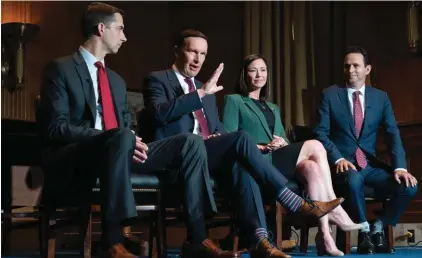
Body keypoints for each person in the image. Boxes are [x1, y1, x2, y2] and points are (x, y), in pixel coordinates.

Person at [37, 3, 235, 258]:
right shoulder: (61, 69)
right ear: (101, 28)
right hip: (77, 156)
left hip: (120, 150)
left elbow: (123, 129)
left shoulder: (117, 81)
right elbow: (56, 128)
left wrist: (132, 141)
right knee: (120, 137)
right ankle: (112, 242)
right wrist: (115, 138)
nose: (124, 36)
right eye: (120, 29)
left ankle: (196, 238)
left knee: (190, 142)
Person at [143, 29, 343, 258]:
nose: (198, 59)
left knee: (242, 164)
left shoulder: (204, 87)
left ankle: (260, 241)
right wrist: (199, 94)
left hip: (209, 154)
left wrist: (217, 134)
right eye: (192, 52)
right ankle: (291, 200)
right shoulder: (158, 80)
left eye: (203, 54)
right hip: (181, 155)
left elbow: (216, 127)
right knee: (242, 138)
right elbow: (158, 114)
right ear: (177, 51)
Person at [223, 54, 363, 256]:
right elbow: (230, 138)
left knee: (312, 167)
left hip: (277, 158)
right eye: (253, 70)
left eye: (263, 70)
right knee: (315, 145)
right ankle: (335, 210)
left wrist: (282, 143)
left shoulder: (272, 107)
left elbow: (285, 142)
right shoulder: (234, 101)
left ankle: (325, 236)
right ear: (244, 74)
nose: (259, 74)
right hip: (257, 161)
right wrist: (262, 147)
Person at [314, 46, 418, 254]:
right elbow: (320, 133)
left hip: (370, 165)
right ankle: (363, 232)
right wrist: (337, 158)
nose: (351, 70)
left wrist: (400, 168)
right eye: (347, 66)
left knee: (409, 187)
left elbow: (392, 133)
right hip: (344, 166)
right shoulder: (330, 95)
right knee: (354, 180)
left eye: (356, 65)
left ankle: (377, 226)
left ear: (367, 69)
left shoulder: (380, 98)